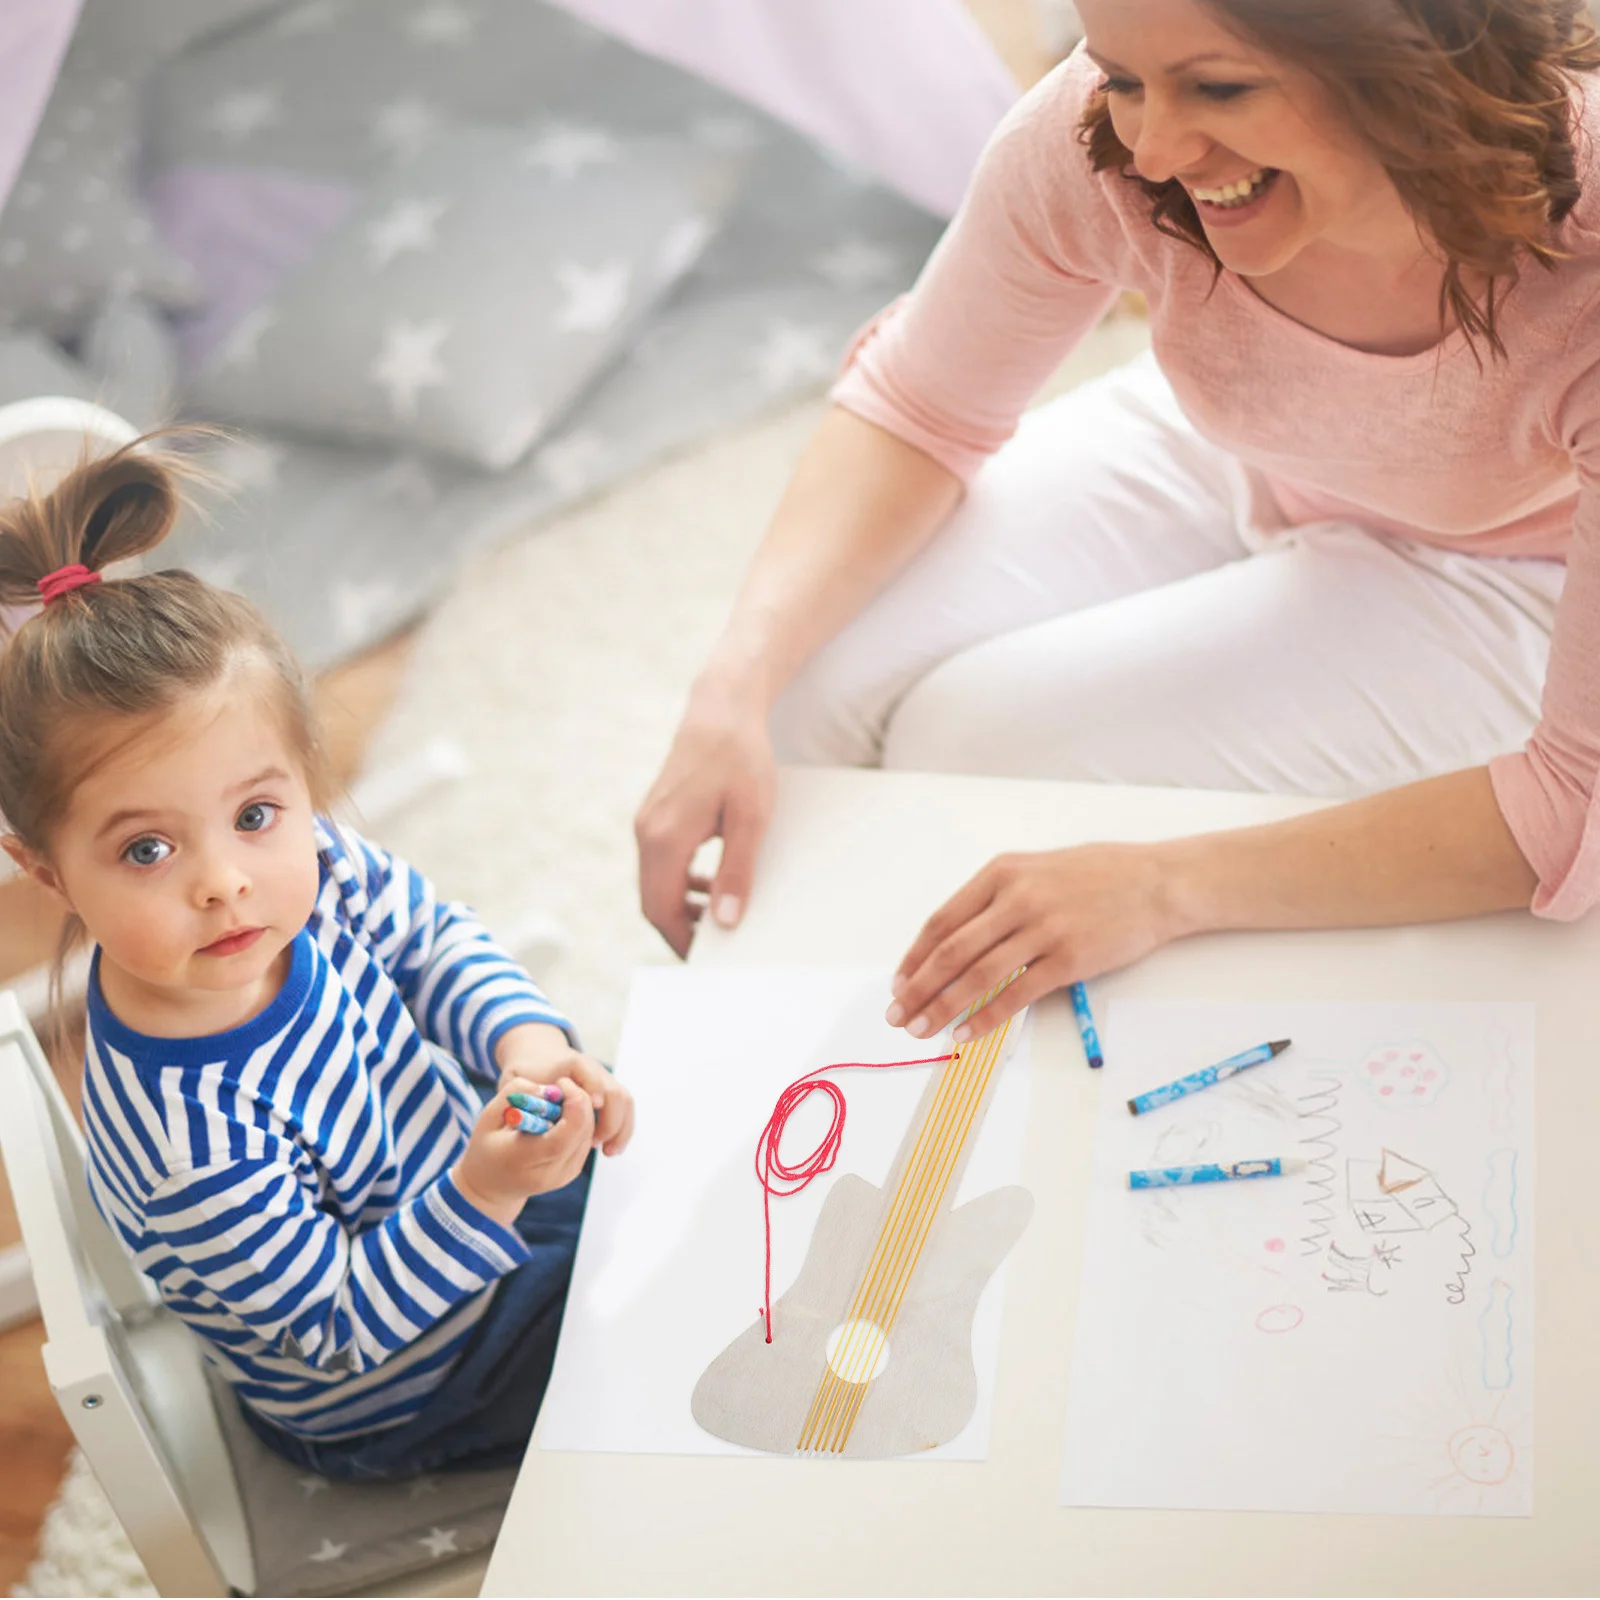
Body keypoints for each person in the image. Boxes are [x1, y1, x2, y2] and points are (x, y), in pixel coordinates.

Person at [636, 0, 1600, 1045]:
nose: (1152, 146)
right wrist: (729, 682)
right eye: (1123, 78)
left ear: (1420, 61)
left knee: (972, 747)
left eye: (1219, 88)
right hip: (1254, 438)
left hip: (1517, 576)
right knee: (803, 694)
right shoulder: (1102, 135)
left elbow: (1571, 801)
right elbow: (921, 401)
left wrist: (1162, 885)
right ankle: (731, 1068)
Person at [0, 438, 634, 1480]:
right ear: (50, 872)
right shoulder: (187, 1140)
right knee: (667, 1347)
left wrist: (523, 1048)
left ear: (301, 780)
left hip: (454, 1193)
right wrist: (485, 1188)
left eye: (256, 813)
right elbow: (337, 1326)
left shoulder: (316, 864)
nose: (224, 880)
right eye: (146, 849)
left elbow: (431, 940)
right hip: (414, 1374)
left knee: (674, 1176)